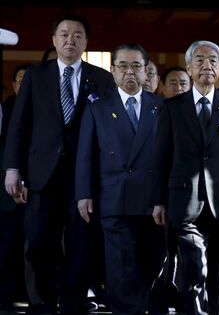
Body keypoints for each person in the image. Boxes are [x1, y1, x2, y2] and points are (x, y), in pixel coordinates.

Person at [3, 14, 115, 315]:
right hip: (42, 174)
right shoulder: (36, 77)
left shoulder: (101, 78)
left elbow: (108, 130)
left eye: (78, 35)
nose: (70, 40)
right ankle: (44, 300)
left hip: (84, 177)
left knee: (81, 245)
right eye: (64, 34)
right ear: (53, 39)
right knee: (39, 242)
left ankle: (73, 302)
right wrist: (13, 169)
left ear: (86, 42)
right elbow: (19, 125)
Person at [153, 40, 219, 315]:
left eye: (213, 60)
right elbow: (161, 157)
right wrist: (158, 201)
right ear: (189, 68)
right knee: (193, 262)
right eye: (199, 60)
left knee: (218, 265)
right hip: (183, 199)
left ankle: (211, 309)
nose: (207, 65)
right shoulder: (172, 107)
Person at [75, 43, 166, 314]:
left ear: (146, 71)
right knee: (121, 263)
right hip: (114, 197)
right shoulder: (98, 107)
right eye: (123, 66)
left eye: (136, 66)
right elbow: (86, 154)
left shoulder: (161, 106)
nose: (130, 72)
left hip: (153, 200)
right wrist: (83, 193)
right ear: (113, 70)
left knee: (153, 261)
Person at [0, 63, 31, 310]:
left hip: (40, 186)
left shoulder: (45, 108)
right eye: (19, 80)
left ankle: (34, 294)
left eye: (27, 79)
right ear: (13, 84)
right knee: (8, 243)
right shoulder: (6, 108)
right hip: (9, 189)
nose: (23, 84)